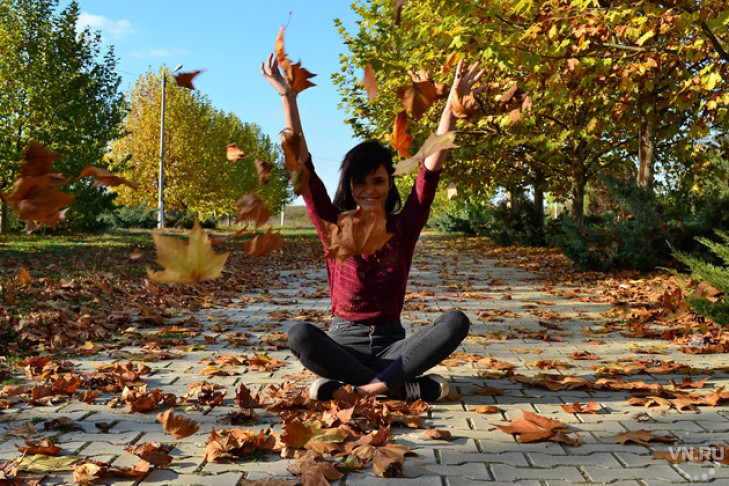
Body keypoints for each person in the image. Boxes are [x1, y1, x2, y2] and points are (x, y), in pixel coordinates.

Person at [261, 53, 484, 403]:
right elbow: (301, 162)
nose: (369, 190)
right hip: (342, 349)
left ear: (389, 184)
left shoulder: (404, 225)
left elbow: (430, 169)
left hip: (394, 348)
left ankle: (361, 388)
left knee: (456, 321)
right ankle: (398, 386)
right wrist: (288, 96)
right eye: (360, 182)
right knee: (300, 334)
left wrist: (453, 108)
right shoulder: (333, 224)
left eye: (378, 181)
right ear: (350, 186)